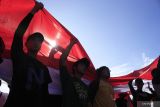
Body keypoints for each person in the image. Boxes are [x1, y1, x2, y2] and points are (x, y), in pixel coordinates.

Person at [4, 2, 52, 107]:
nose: (36, 42)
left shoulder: (44, 68)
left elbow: (45, 94)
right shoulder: (19, 56)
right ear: (26, 43)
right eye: (33, 39)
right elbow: (18, 34)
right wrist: (33, 11)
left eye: (39, 41)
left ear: (40, 46)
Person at [49, 38, 91, 107]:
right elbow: (63, 59)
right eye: (82, 64)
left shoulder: (86, 86)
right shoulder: (67, 78)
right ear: (74, 67)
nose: (84, 67)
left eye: (85, 66)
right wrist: (72, 43)